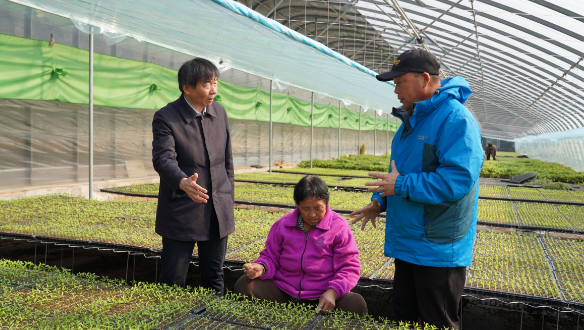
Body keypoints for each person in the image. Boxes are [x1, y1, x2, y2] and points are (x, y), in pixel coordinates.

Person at [350, 49, 483, 329]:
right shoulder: (410, 122)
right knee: (405, 316)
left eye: (399, 82)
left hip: (438, 246)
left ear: (424, 79)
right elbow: (399, 174)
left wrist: (398, 185)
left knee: (437, 321)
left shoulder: (455, 120)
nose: (395, 90)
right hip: (409, 242)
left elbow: (455, 181)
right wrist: (380, 201)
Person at [152, 58, 234, 294]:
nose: (214, 90)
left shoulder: (219, 112)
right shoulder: (166, 117)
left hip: (218, 212)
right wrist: (182, 182)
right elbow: (163, 158)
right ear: (187, 88)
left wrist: (228, 199)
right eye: (206, 84)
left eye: (215, 82)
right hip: (182, 212)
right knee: (173, 280)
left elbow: (227, 162)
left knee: (214, 278)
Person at [234, 176, 367, 316]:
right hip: (284, 292)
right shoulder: (282, 225)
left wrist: (333, 292)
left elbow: (349, 267)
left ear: (326, 203)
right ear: (298, 205)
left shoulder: (339, 227)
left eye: (318, 208)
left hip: (323, 296)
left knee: (355, 304)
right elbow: (270, 257)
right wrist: (261, 267)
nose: (312, 214)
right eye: (305, 208)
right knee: (245, 285)